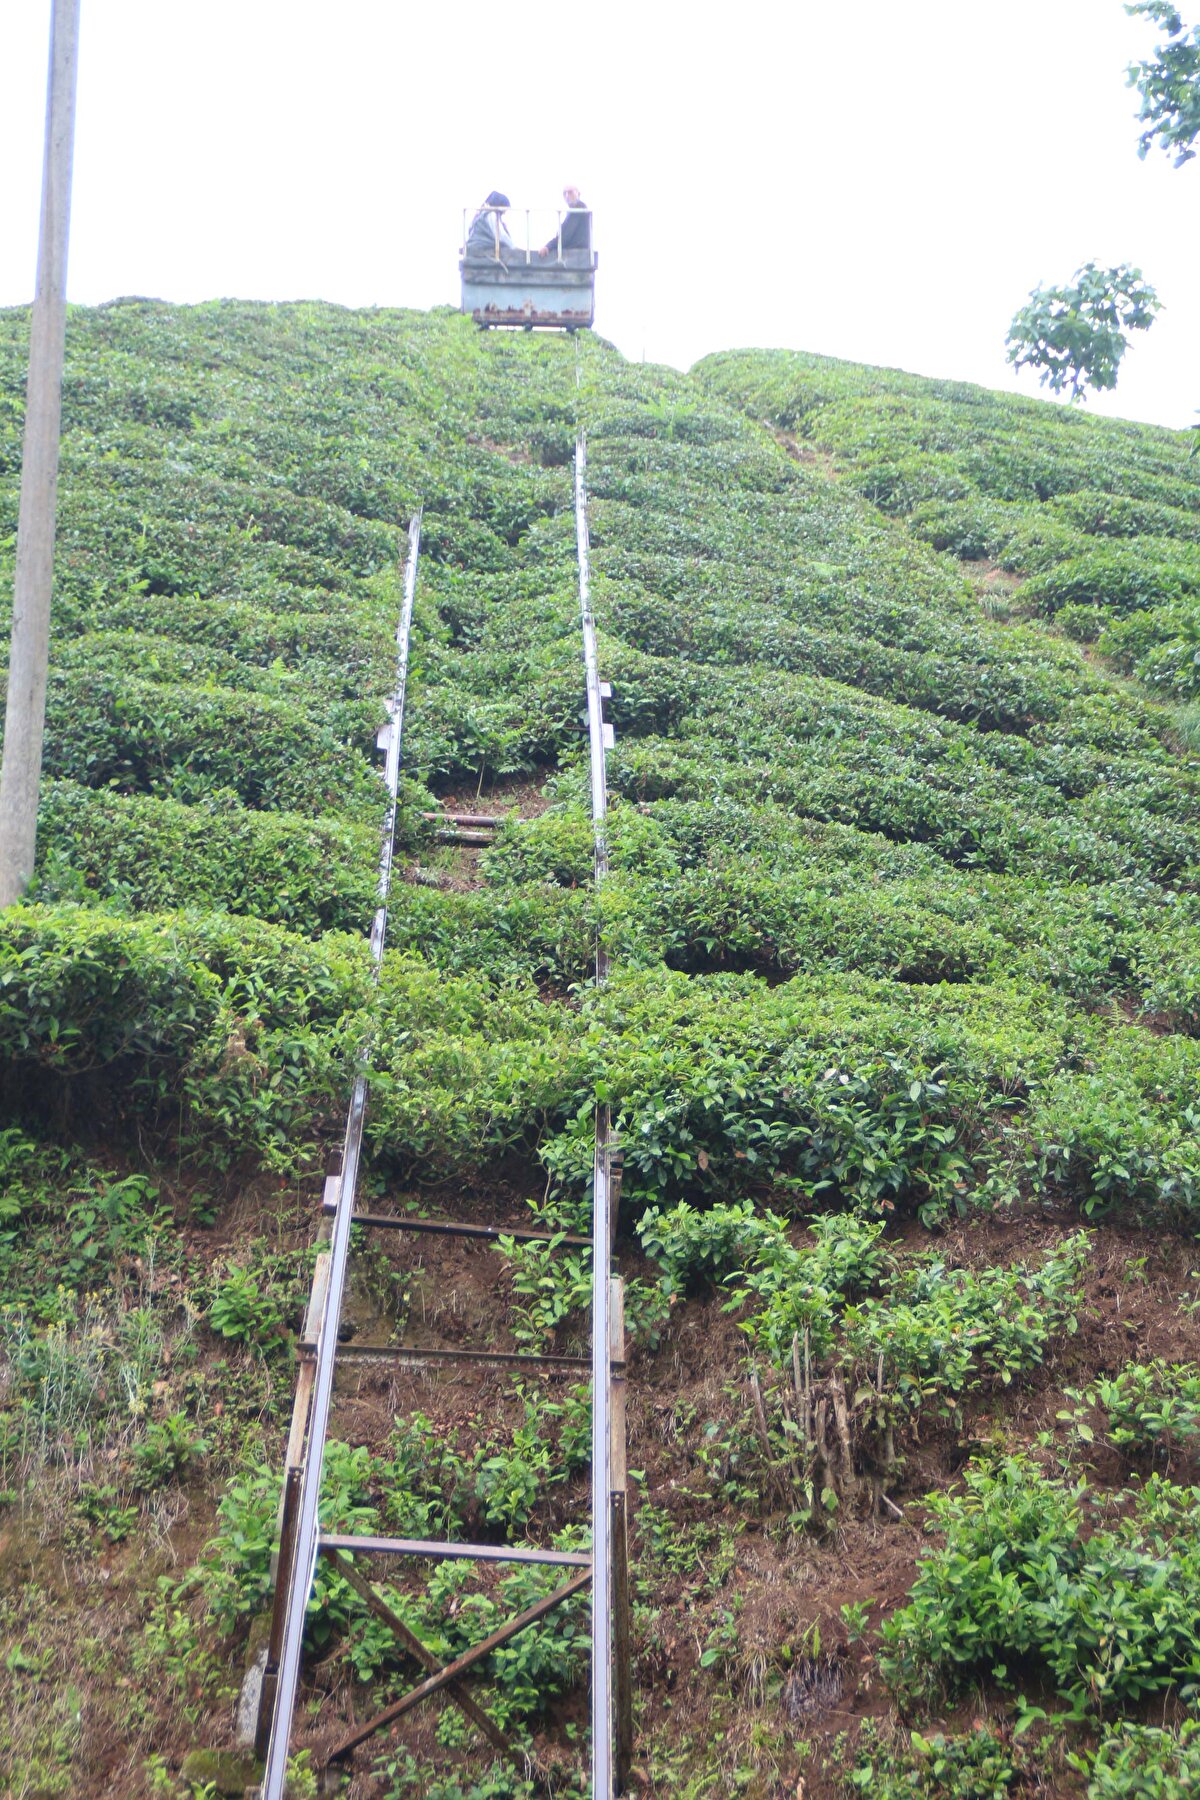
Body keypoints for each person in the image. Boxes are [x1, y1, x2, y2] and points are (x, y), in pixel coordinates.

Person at [538, 186, 591, 259]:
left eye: (570, 192)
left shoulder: (579, 208)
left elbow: (566, 236)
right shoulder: (574, 210)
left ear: (578, 194)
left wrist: (548, 247)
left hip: (575, 254)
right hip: (576, 253)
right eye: (564, 193)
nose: (567, 196)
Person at [466, 191, 514, 259]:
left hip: (473, 245)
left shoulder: (479, 215)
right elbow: (500, 235)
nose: (504, 213)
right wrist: (514, 247)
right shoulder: (491, 215)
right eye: (505, 209)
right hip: (482, 246)